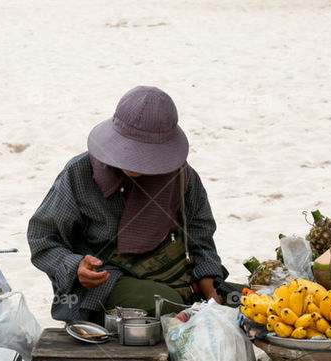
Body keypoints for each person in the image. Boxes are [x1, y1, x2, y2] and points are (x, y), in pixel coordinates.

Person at [27, 86, 230, 324]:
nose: (137, 162)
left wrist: (212, 293)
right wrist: (75, 268)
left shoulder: (183, 177)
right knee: (165, 303)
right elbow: (42, 238)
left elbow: (200, 239)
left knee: (242, 301)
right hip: (104, 282)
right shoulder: (80, 173)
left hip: (175, 276)